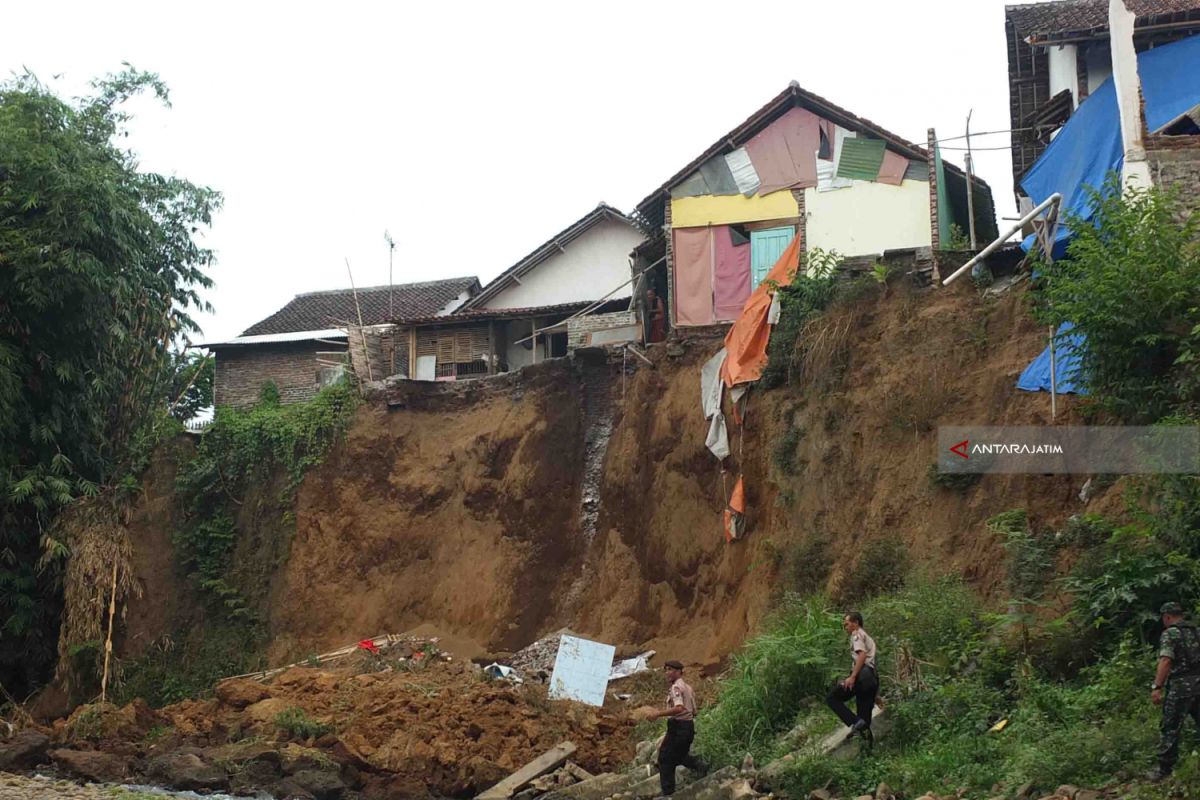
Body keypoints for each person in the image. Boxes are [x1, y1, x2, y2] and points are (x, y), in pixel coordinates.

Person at [1150, 601, 1200, 781]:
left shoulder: (1170, 634)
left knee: (1170, 728)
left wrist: (1157, 687)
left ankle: (1164, 770)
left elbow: (1166, 661)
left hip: (1181, 688)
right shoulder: (1196, 631)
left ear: (1167, 616)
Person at [644, 659, 705, 795]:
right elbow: (694, 711)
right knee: (680, 756)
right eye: (666, 670)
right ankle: (703, 766)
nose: (667, 673)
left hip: (679, 726)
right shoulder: (688, 688)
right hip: (687, 726)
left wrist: (658, 714)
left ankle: (668, 793)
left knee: (665, 759)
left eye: (671, 670)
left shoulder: (676, 688)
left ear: (679, 672)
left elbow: (679, 708)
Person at [826, 611, 879, 745]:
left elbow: (861, 655)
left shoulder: (857, 635)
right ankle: (868, 753)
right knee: (865, 722)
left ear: (856, 623)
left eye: (847, 624)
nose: (845, 627)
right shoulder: (867, 637)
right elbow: (871, 665)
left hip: (861, 677)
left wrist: (852, 677)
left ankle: (854, 721)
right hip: (871, 679)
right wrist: (876, 694)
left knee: (832, 698)